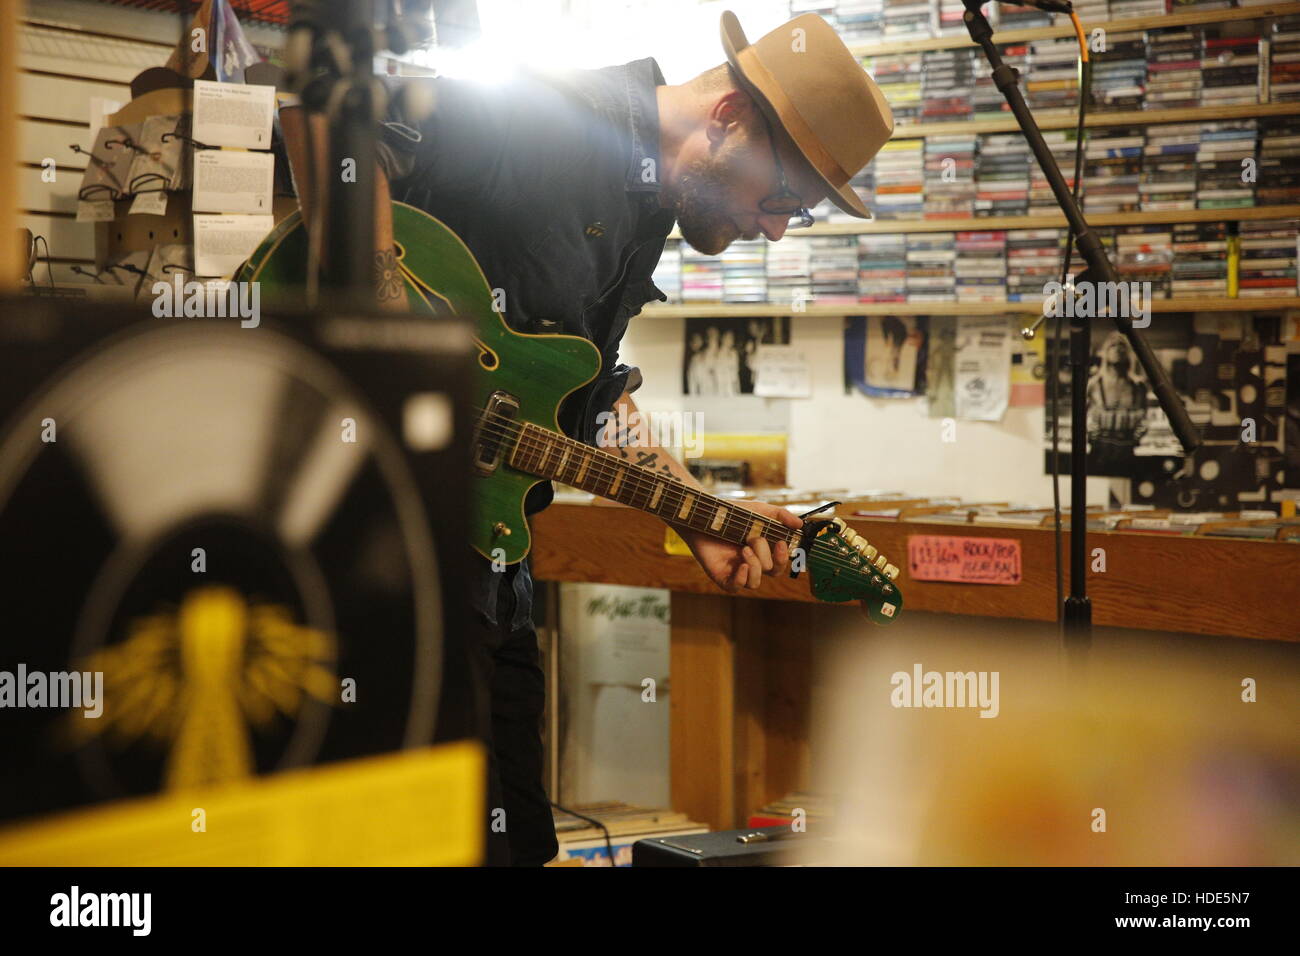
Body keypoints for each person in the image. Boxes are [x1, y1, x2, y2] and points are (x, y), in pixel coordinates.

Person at [286, 10, 893, 866]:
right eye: (786, 197)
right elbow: (322, 108)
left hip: (493, 569)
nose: (777, 228)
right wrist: (391, 336)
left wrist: (694, 510)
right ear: (730, 120)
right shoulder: (549, 117)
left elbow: (583, 386)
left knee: (520, 843)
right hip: (384, 567)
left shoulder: (647, 208)